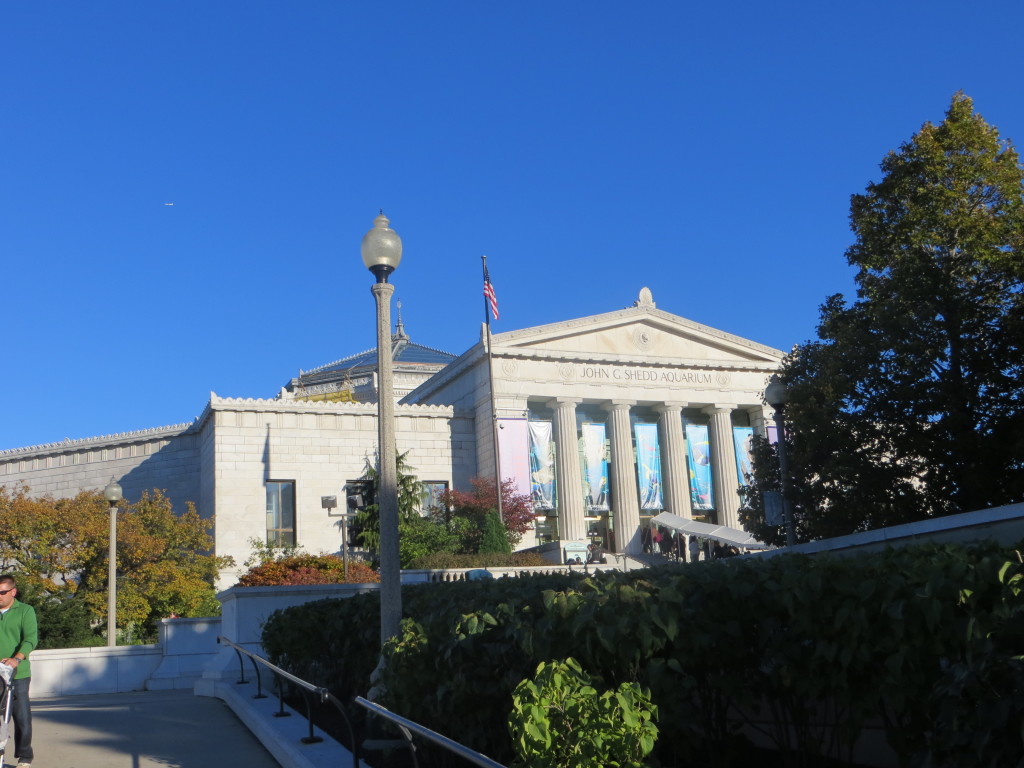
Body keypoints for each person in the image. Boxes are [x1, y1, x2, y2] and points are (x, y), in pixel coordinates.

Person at [0, 573, 37, 767]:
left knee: (21, 715)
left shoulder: (25, 611)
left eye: (2, 592)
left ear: (13, 592)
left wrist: (17, 659)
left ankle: (24, 756)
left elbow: (30, 639)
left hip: (18, 674)